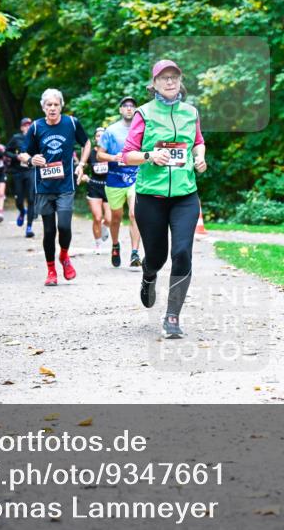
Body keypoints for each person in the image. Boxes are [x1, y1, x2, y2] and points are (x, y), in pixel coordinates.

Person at [123, 60, 206, 339]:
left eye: (174, 77)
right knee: (157, 256)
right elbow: (127, 155)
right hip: (151, 197)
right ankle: (149, 275)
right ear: (154, 83)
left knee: (182, 253)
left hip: (185, 195)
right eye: (164, 78)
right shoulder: (144, 114)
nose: (170, 82)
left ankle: (172, 316)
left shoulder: (190, 112)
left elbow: (198, 142)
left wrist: (199, 157)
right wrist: (150, 156)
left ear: (180, 81)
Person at [18, 89, 90, 286]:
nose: (52, 108)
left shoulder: (71, 123)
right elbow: (22, 153)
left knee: (64, 226)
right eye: (48, 105)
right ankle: (51, 271)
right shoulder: (36, 127)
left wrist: (82, 164)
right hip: (43, 187)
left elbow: (86, 143)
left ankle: (64, 255)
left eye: (56, 104)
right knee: (49, 231)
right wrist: (31, 159)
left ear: (61, 106)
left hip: (65, 185)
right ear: (43, 107)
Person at [97, 96, 142, 268]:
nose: (129, 108)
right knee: (115, 218)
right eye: (125, 106)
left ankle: (135, 253)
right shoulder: (111, 131)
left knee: (134, 214)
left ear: (136, 110)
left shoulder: (142, 129)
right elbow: (100, 154)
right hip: (115, 180)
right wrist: (113, 157)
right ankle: (115, 245)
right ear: (120, 110)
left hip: (135, 178)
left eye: (132, 106)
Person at [84, 127, 112, 254]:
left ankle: (104, 228)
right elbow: (81, 166)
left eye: (102, 135)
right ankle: (98, 244)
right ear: (95, 138)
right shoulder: (90, 153)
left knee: (109, 219)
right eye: (97, 136)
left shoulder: (110, 152)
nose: (100, 138)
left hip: (109, 187)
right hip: (94, 187)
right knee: (97, 217)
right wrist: (83, 176)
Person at [8, 117, 36, 237]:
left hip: (30, 170)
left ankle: (29, 228)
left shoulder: (36, 138)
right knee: (19, 199)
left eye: (30, 125)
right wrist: (16, 157)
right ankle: (21, 211)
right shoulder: (16, 138)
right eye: (25, 125)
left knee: (31, 199)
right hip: (18, 172)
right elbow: (6, 151)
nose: (28, 127)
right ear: (21, 128)